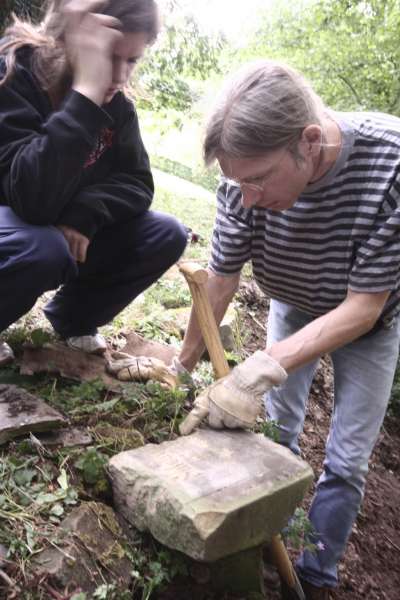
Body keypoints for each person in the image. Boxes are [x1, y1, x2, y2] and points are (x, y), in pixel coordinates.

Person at [177, 60, 400, 599]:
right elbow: (221, 281)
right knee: (276, 428)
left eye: (257, 180)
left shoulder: (391, 165)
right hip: (292, 302)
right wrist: (180, 364)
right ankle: (257, 543)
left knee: (346, 460)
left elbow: (363, 307)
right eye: (236, 182)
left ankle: (316, 577)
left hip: (367, 325)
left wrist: (261, 366)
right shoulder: (241, 174)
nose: (247, 197)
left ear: (310, 141)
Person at [0, 0, 187, 365]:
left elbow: (137, 182)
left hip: (48, 226)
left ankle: (74, 318)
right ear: (75, 40)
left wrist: (84, 212)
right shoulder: (14, 73)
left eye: (131, 61)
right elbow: (29, 196)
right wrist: (85, 95)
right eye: (110, 56)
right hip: (16, 225)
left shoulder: (118, 109)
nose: (118, 76)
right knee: (44, 247)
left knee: (167, 232)